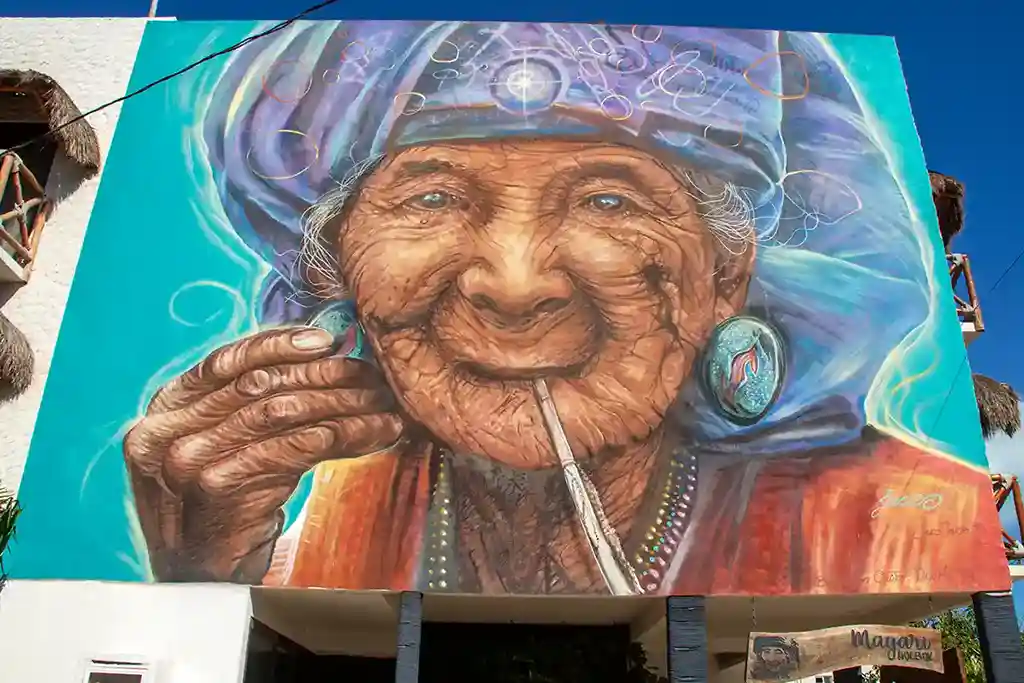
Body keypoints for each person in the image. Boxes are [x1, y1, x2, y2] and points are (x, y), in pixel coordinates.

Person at [122, 21, 1005, 593]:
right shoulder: (347, 504)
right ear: (339, 271)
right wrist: (202, 574)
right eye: (430, 199)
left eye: (609, 201)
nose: (512, 284)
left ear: (725, 276)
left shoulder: (909, 533)